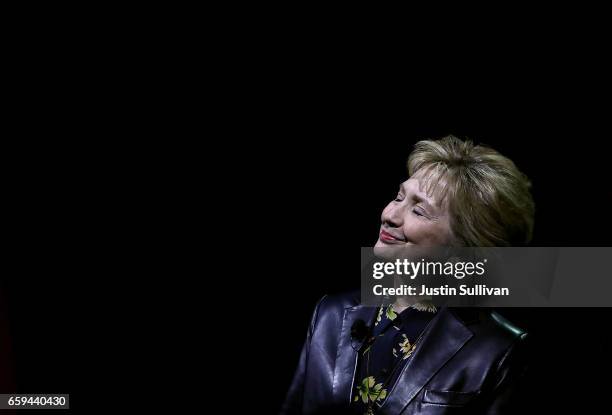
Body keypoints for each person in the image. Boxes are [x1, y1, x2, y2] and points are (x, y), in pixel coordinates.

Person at [281, 136, 535, 414]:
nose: (390, 215)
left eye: (418, 210)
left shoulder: (497, 350)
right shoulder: (330, 313)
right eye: (398, 197)